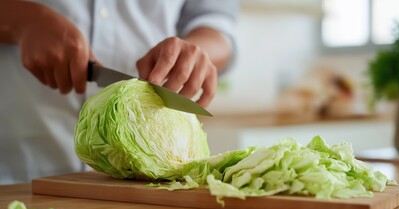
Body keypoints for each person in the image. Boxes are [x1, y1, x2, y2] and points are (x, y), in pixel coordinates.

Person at [0, 0, 238, 184]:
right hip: (15, 170)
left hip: (144, 188)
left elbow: (216, 24)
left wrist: (196, 53)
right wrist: (22, 20)